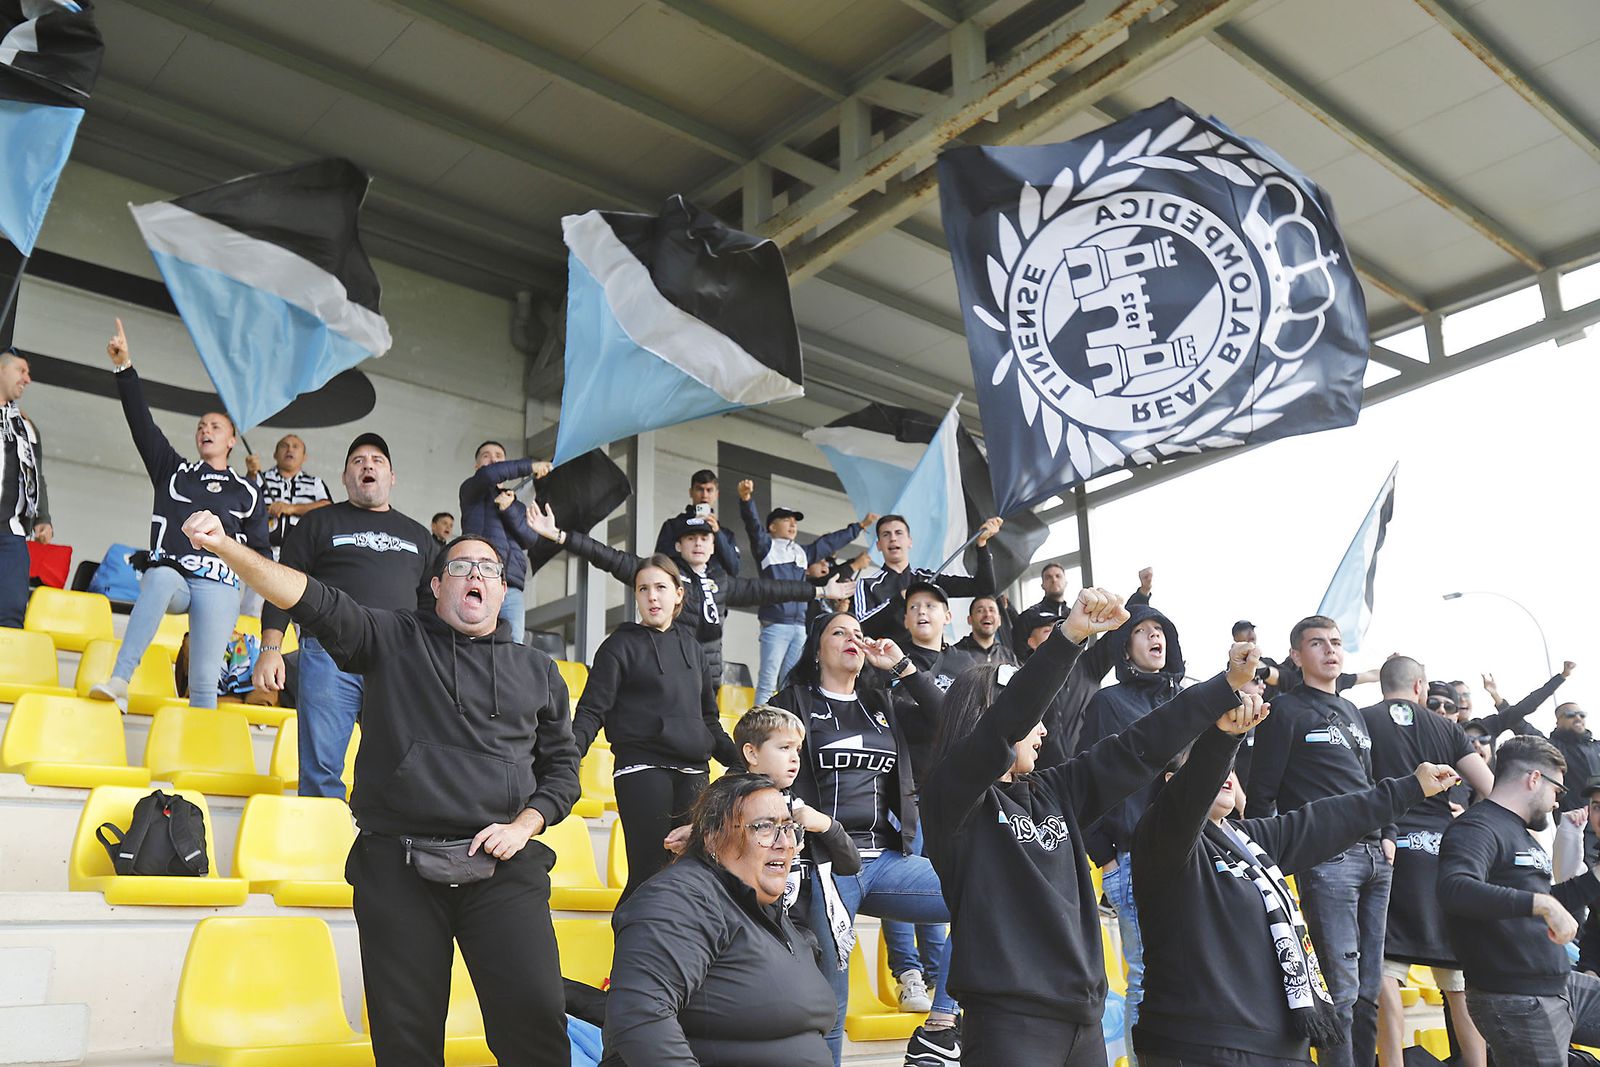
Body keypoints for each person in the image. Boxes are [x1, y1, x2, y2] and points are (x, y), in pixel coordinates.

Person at [181, 510, 580, 1065]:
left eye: (488, 569)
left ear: (502, 590)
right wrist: (226, 545)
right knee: (404, 1041)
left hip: (504, 866)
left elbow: (563, 769)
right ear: (437, 585)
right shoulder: (394, 637)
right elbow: (313, 598)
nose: (476, 576)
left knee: (536, 1022)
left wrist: (526, 824)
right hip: (399, 868)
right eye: (461, 565)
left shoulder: (540, 671)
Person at [921, 588, 1261, 1067]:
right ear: (984, 715)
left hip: (1085, 1022)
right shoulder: (952, 798)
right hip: (1009, 1025)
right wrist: (1070, 637)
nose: (1042, 730)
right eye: (1033, 719)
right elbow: (1005, 725)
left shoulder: (1055, 789)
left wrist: (1221, 689)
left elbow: (1137, 747)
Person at [1133, 706, 1460, 1067]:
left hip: (1280, 1047)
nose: (1227, 773)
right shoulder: (1162, 839)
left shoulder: (1248, 840)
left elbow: (1321, 821)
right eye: (1204, 763)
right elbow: (1189, 794)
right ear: (1170, 782)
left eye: (1230, 766)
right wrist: (1224, 738)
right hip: (1202, 1048)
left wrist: (1410, 788)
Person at [769, 611, 954, 1066]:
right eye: (839, 632)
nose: (852, 638)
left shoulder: (882, 702)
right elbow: (751, 763)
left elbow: (949, 718)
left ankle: (941, 1024)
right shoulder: (792, 700)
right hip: (825, 864)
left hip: (888, 860)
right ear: (817, 649)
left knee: (982, 894)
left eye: (858, 633)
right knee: (832, 997)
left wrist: (902, 666)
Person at [89, 321, 268, 711]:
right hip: (177, 577)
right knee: (161, 574)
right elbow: (142, 426)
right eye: (201, 426)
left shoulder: (249, 489)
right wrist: (125, 369)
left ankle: (197, 761)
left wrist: (267, 617)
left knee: (204, 685)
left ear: (232, 440)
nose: (206, 430)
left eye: (216, 426)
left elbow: (262, 555)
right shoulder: (174, 471)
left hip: (220, 584)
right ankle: (121, 680)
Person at [602, 773, 836, 1065]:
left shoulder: (766, 909)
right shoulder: (680, 897)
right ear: (713, 837)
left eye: (788, 828)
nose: (784, 843)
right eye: (764, 827)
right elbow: (642, 1013)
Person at [254, 433, 439, 799]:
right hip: (328, 655)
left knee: (399, 769)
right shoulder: (318, 523)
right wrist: (270, 649)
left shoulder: (419, 536)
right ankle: (323, 853)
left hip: (397, 659)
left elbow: (432, 606)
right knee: (321, 771)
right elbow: (283, 586)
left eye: (377, 460)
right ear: (343, 478)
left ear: (392, 477)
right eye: (357, 461)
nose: (367, 465)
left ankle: (381, 853)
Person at [1244, 615, 1387, 1067]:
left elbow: (1369, 782)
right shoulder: (1285, 709)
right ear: (1296, 655)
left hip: (1374, 857)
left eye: (1336, 643)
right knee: (1339, 989)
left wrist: (1387, 835)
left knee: (1369, 989)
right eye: (1317, 643)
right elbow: (1263, 790)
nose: (1330, 650)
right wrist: (1268, 860)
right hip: (1326, 858)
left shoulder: (1355, 714)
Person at [527, 506, 853, 697]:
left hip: (708, 679)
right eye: (690, 539)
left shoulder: (723, 580)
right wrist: (561, 536)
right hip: (668, 671)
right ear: (679, 546)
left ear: (713, 546)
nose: (697, 544)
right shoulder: (662, 574)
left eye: (704, 539)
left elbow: (774, 590)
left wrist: (823, 592)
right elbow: (610, 557)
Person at [572, 553, 740, 901]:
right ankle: (632, 950)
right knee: (650, 872)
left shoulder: (693, 649)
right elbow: (592, 710)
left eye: (661, 587)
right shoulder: (619, 645)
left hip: (694, 771)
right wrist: (567, 757)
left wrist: (741, 761)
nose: (652, 596)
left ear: (679, 593)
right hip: (642, 769)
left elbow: (708, 718)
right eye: (643, 588)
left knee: (692, 875)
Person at [1359, 660, 1494, 1067]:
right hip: (1441, 852)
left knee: (1388, 987)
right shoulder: (1448, 729)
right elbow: (1488, 788)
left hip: (1390, 851)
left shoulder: (1362, 721)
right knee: (1459, 992)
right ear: (1418, 685)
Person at [1439, 736, 1600, 1066]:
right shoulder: (1477, 826)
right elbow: (1455, 889)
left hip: (1561, 984)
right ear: (1535, 778)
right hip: (1517, 996)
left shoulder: (1520, 833)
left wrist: (1593, 878)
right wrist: (1543, 906)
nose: (1557, 803)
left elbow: (1542, 899)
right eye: (1558, 791)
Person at [1074, 603, 1188, 1065]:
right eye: (1141, 631)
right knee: (1146, 975)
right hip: (1133, 859)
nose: (1153, 637)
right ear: (1125, 648)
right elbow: (1084, 783)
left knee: (1190, 972)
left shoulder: (1187, 701)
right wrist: (1105, 854)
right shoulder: (1107, 702)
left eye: (1159, 629)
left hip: (1191, 857)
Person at [737, 477, 873, 704]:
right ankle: (757, 728)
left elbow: (829, 543)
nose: (792, 525)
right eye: (786, 520)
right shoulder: (766, 547)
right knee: (768, 682)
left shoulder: (802, 552)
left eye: (794, 522)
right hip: (776, 623)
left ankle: (786, 725)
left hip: (799, 626)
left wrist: (857, 528)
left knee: (791, 682)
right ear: (772, 527)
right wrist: (746, 500)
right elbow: (752, 526)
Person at [854, 513, 1000, 649]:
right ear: (879, 545)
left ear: (910, 541)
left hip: (931, 667)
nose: (893, 538)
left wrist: (982, 544)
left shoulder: (928, 578)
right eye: (886, 534)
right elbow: (860, 628)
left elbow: (984, 587)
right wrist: (898, 600)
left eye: (898, 533)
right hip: (888, 668)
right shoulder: (867, 584)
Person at [458, 440, 551, 643]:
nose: (493, 459)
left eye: (499, 456)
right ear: (477, 466)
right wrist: (531, 466)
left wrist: (508, 509)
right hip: (479, 578)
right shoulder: (471, 490)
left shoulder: (513, 502)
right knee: (474, 643)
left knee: (513, 647)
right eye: (486, 455)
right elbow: (489, 475)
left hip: (511, 585)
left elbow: (530, 539)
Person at [0, 347, 51, 627]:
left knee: (10, 616)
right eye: (21, 370)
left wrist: (42, 518)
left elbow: (36, 476)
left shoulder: (27, 427)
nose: (27, 379)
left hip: (11, 534)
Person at [655, 468, 740, 574]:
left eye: (709, 490)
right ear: (691, 492)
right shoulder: (673, 526)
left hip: (715, 587)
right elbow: (660, 562)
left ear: (716, 494)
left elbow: (734, 568)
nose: (704, 495)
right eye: (700, 489)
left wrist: (717, 534)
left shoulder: (726, 534)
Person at [1550, 698, 1597, 812]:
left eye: (1582, 715)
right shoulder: (1552, 748)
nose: (1578, 718)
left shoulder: (1597, 747)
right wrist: (1499, 700)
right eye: (1570, 715)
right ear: (1558, 722)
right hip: (1575, 822)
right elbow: (1519, 724)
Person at [947, 594, 1018, 670]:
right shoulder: (955, 654)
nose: (987, 614)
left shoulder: (1008, 656)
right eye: (980, 611)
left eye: (992, 610)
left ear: (999, 621)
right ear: (970, 620)